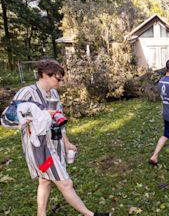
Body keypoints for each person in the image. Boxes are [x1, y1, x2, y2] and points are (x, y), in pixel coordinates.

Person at [1, 59, 110, 216]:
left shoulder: (53, 93)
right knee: (65, 183)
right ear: (45, 75)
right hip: (40, 149)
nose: (60, 82)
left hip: (56, 144)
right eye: (58, 78)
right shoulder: (27, 93)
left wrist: (66, 143)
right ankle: (90, 215)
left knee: (44, 180)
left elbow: (59, 119)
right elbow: (6, 119)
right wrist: (33, 118)